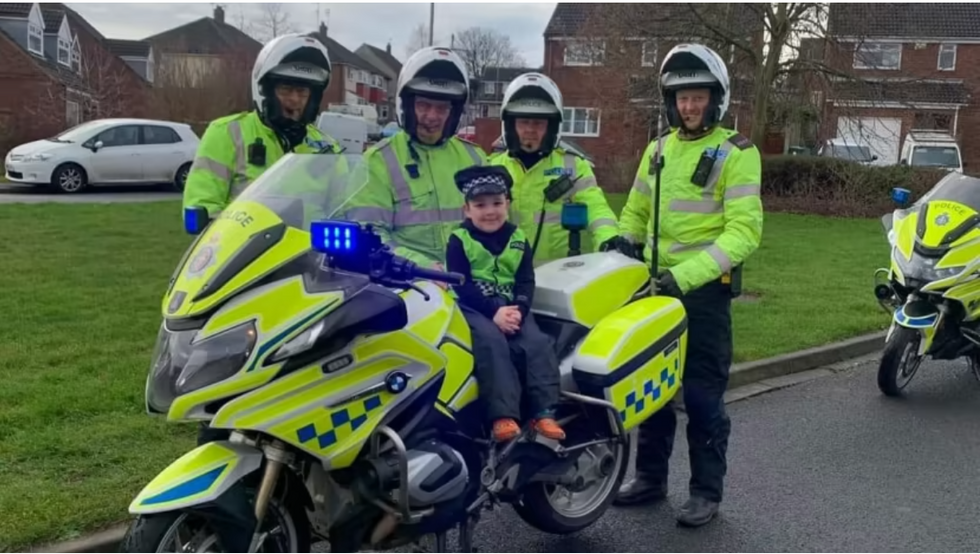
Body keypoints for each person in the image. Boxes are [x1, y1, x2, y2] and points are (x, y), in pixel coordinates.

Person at [611, 43, 764, 527]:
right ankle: (650, 479)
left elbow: (744, 232)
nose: (689, 106)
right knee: (651, 392)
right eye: (681, 98)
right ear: (669, 102)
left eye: (698, 97)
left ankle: (705, 492)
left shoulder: (738, 152)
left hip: (702, 294)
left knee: (701, 397)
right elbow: (635, 211)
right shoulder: (657, 150)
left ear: (716, 99)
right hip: (655, 289)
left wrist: (684, 276)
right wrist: (622, 244)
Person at [446, 165, 565, 442]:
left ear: (507, 204)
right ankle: (502, 416)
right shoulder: (459, 240)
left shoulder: (518, 238)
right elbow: (461, 283)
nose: (490, 211)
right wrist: (494, 313)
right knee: (491, 342)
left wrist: (519, 312)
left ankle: (544, 412)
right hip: (474, 306)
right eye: (480, 205)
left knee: (537, 342)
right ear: (467, 209)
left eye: (497, 203)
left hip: (512, 304)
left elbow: (525, 281)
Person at [344, 46, 487, 271]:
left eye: (441, 108)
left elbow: (492, 225)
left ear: (454, 112)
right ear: (407, 105)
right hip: (408, 285)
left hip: (469, 284)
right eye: (423, 105)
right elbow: (368, 234)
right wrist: (422, 266)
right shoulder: (378, 160)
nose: (432, 116)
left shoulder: (475, 158)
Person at [182, 33, 341, 218]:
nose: (294, 99)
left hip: (311, 246)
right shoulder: (227, 133)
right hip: (245, 245)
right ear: (265, 90)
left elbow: (348, 207)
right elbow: (202, 203)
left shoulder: (327, 148)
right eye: (286, 89)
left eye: (302, 91)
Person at [489, 72, 628, 265]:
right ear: (510, 125)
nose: (530, 129)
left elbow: (597, 208)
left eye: (538, 123)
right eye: (524, 122)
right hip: (506, 279)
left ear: (552, 126)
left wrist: (609, 238)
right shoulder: (492, 169)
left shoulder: (573, 166)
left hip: (560, 280)